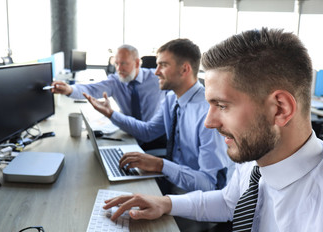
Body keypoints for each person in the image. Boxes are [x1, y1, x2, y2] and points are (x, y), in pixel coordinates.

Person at [101, 28, 323, 231]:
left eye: (222, 106)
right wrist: (165, 202)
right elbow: (228, 201)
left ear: (279, 109)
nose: (208, 122)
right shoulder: (254, 159)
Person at [84, 38, 233, 193]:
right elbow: (148, 132)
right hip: (172, 181)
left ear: (184, 69)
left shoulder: (208, 114)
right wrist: (110, 113)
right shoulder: (171, 98)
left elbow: (211, 185)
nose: (156, 72)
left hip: (195, 198)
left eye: (163, 65)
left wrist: (160, 165)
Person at [51, 44, 166, 150]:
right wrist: (69, 90)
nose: (119, 69)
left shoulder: (157, 78)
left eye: (123, 63)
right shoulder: (116, 81)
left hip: (153, 136)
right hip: (128, 132)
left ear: (137, 63)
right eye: (116, 63)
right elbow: (91, 89)